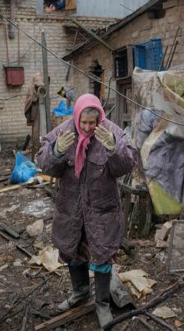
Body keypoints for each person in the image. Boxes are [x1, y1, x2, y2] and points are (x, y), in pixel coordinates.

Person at [36, 93, 138, 328]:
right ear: (77, 117)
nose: (88, 127)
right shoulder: (63, 131)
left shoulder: (111, 131)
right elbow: (46, 165)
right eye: (84, 123)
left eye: (93, 122)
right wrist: (56, 151)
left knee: (102, 256)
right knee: (73, 252)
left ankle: (102, 303)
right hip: (71, 209)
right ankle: (80, 293)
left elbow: (127, 165)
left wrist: (114, 148)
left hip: (102, 211)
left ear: (99, 117)